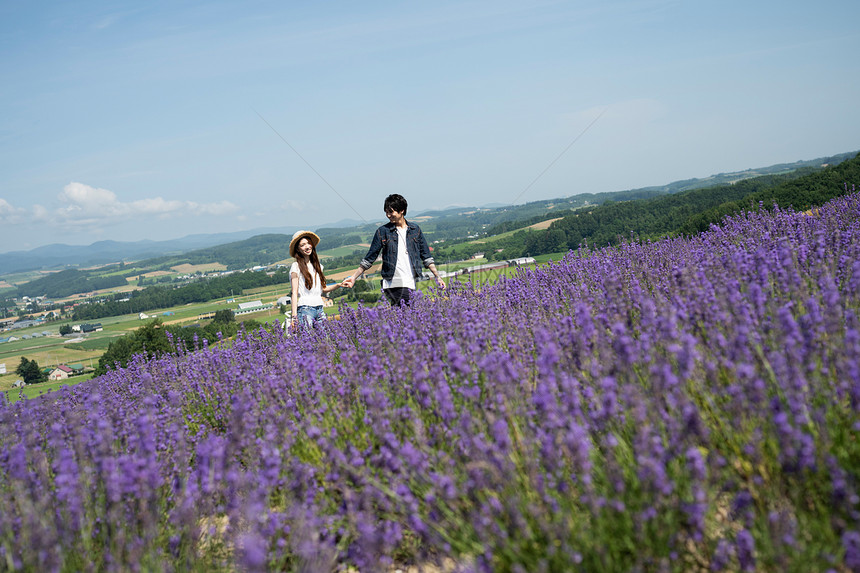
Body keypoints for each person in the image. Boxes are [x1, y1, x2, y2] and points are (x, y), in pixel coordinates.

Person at [343, 194, 445, 305]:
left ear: (402, 210)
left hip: (410, 282)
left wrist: (437, 277)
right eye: (386, 212)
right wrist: (353, 277)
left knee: (406, 316)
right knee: (413, 309)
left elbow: (427, 257)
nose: (388, 215)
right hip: (393, 282)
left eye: (391, 212)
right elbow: (369, 259)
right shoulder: (382, 232)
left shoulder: (415, 230)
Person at [288, 230, 343, 328]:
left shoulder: (318, 266)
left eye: (309, 243)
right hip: (305, 309)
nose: (307, 246)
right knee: (308, 339)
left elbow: (323, 289)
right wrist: (294, 317)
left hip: (319, 308)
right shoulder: (295, 267)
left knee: (325, 338)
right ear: (298, 249)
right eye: (303, 245)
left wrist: (339, 285)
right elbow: (294, 292)